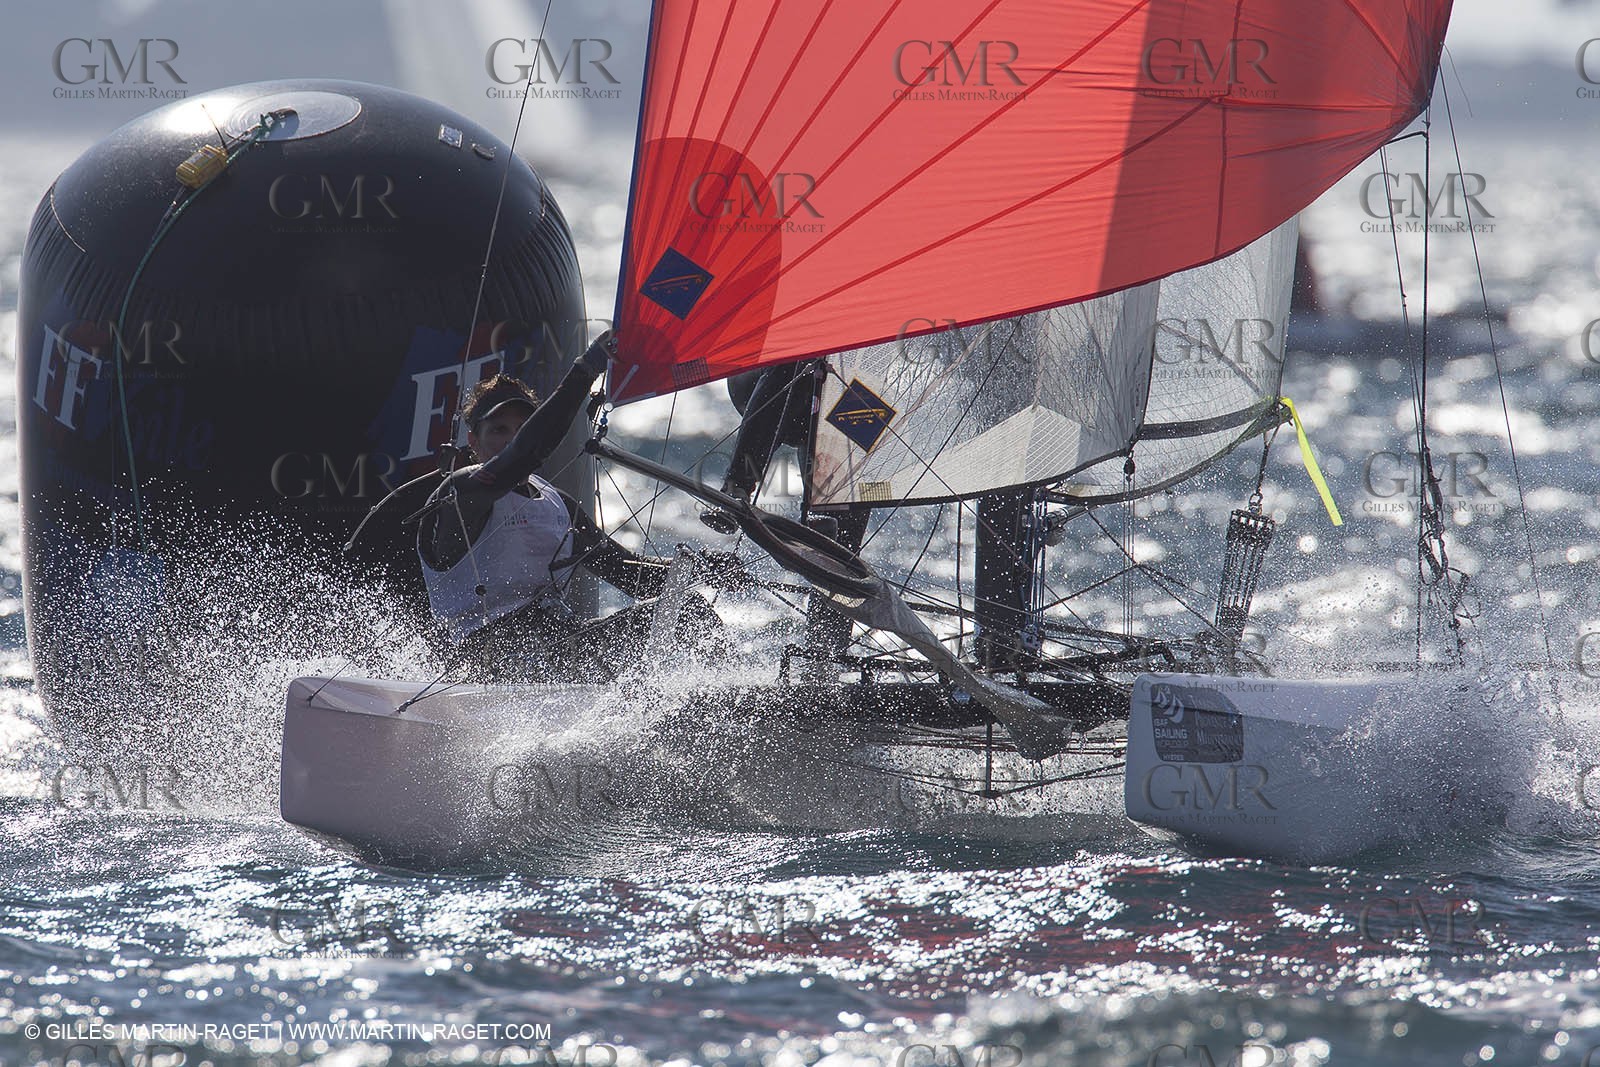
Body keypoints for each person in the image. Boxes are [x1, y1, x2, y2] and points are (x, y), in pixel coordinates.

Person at [416, 333, 737, 681]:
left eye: (522, 428)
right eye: (499, 430)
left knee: (689, 610)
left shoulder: (557, 507)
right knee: (558, 640)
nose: (511, 438)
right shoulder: (462, 493)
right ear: (473, 442)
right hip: (483, 666)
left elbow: (627, 572)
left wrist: (699, 569)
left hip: (558, 650)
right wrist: (586, 370)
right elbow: (524, 452)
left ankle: (724, 708)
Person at [699, 360, 817, 534]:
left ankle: (840, 549)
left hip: (823, 402)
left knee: (839, 537)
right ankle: (736, 488)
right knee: (799, 362)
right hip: (765, 372)